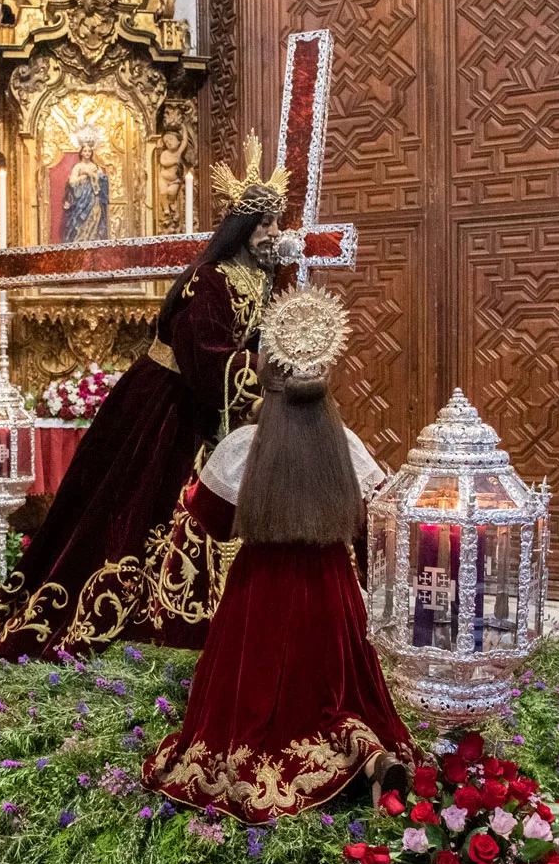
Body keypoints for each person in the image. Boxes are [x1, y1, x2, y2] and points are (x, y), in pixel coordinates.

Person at [0, 132, 288, 664]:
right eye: (264, 223)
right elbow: (205, 356)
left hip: (203, 409)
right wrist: (264, 377)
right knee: (127, 513)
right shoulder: (211, 279)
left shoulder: (261, 277)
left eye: (276, 222)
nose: (273, 233)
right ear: (241, 228)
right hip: (164, 408)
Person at [143, 287, 412, 821]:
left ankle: (307, 761)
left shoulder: (242, 448)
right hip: (333, 596)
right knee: (340, 691)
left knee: (250, 711)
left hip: (258, 597)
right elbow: (375, 527)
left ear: (266, 374)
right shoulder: (350, 447)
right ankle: (367, 752)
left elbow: (209, 524)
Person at [60, 137, 110, 242]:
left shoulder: (95, 166)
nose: (87, 153)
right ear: (81, 153)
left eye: (89, 151)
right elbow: (72, 182)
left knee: (94, 218)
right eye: (85, 151)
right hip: (81, 200)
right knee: (81, 221)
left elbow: (103, 181)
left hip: (94, 198)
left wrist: (94, 175)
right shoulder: (78, 167)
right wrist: (85, 175)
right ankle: (81, 240)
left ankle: (92, 240)